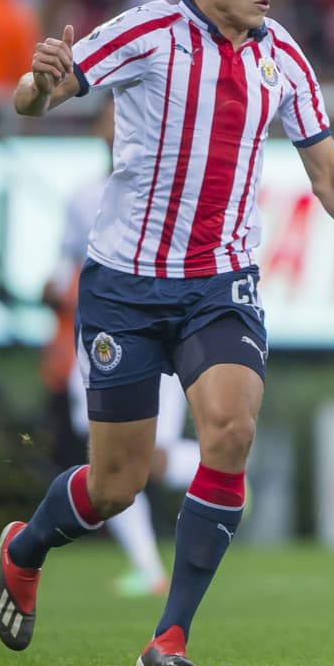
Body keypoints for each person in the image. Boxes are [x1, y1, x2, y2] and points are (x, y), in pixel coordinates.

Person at [0, 0, 334, 666]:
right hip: (124, 284)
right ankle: (24, 549)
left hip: (220, 282)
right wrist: (38, 86)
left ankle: (171, 637)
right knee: (118, 484)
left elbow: (325, 170)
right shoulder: (146, 32)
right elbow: (38, 97)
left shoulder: (283, 54)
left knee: (230, 430)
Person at [42, 98, 202, 598]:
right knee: (112, 459)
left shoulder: (169, 190)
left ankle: (220, 466)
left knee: (148, 459)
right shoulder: (83, 196)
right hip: (98, 338)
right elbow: (64, 266)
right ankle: (150, 568)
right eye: (107, 117)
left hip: (157, 336)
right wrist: (51, 291)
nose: (113, 127)